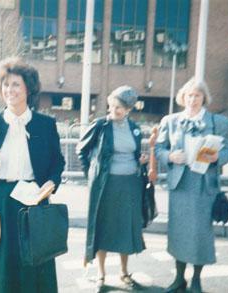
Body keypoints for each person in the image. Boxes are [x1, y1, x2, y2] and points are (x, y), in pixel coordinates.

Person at [0, 57, 65, 293]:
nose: (10, 90)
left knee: (33, 261)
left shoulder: (45, 124)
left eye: (16, 84)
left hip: (32, 201)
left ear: (28, 88)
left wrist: (52, 182)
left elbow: (57, 162)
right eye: (5, 84)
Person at [155, 78, 228, 293]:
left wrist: (217, 157)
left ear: (204, 98)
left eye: (197, 95)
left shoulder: (218, 122)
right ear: (183, 97)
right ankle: (179, 279)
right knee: (179, 232)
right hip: (180, 185)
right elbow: (158, 149)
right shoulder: (170, 121)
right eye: (189, 95)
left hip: (205, 185)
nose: (193, 99)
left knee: (200, 234)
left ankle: (196, 280)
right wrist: (170, 156)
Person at [76, 86, 147, 291]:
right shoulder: (101, 125)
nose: (113, 111)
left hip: (130, 184)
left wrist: (139, 160)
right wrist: (90, 175)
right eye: (111, 106)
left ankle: (124, 272)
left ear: (128, 109)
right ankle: (101, 273)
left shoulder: (134, 128)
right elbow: (82, 150)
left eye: (119, 107)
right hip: (106, 184)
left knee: (125, 228)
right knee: (104, 227)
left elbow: (134, 152)